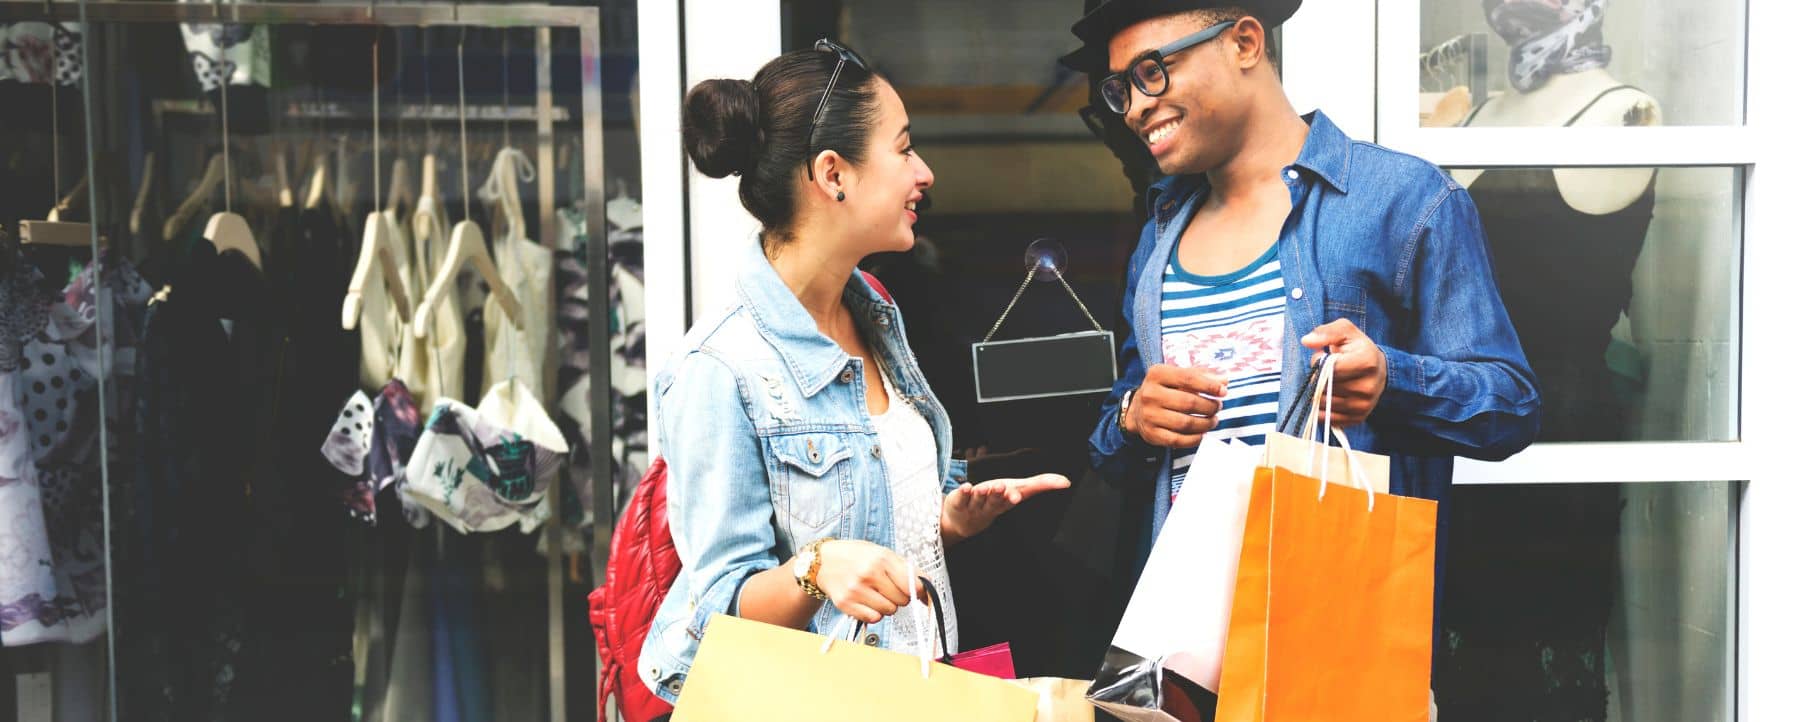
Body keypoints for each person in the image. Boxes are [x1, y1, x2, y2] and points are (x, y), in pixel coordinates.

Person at [1065, 0, 1541, 661]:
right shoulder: (1158, 236)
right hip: (1183, 648)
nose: (1136, 107)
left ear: (1244, 43)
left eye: (1154, 72)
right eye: (1121, 89)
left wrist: (1391, 382)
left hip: (1344, 639)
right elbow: (1112, 441)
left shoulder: (1405, 199)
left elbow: (1511, 405)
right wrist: (1131, 417)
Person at [639, 40, 1070, 705]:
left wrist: (945, 519)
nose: (922, 172)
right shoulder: (717, 370)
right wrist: (815, 568)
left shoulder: (877, 316)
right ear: (833, 174)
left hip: (915, 695)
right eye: (902, 149)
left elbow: (871, 513)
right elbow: (720, 609)